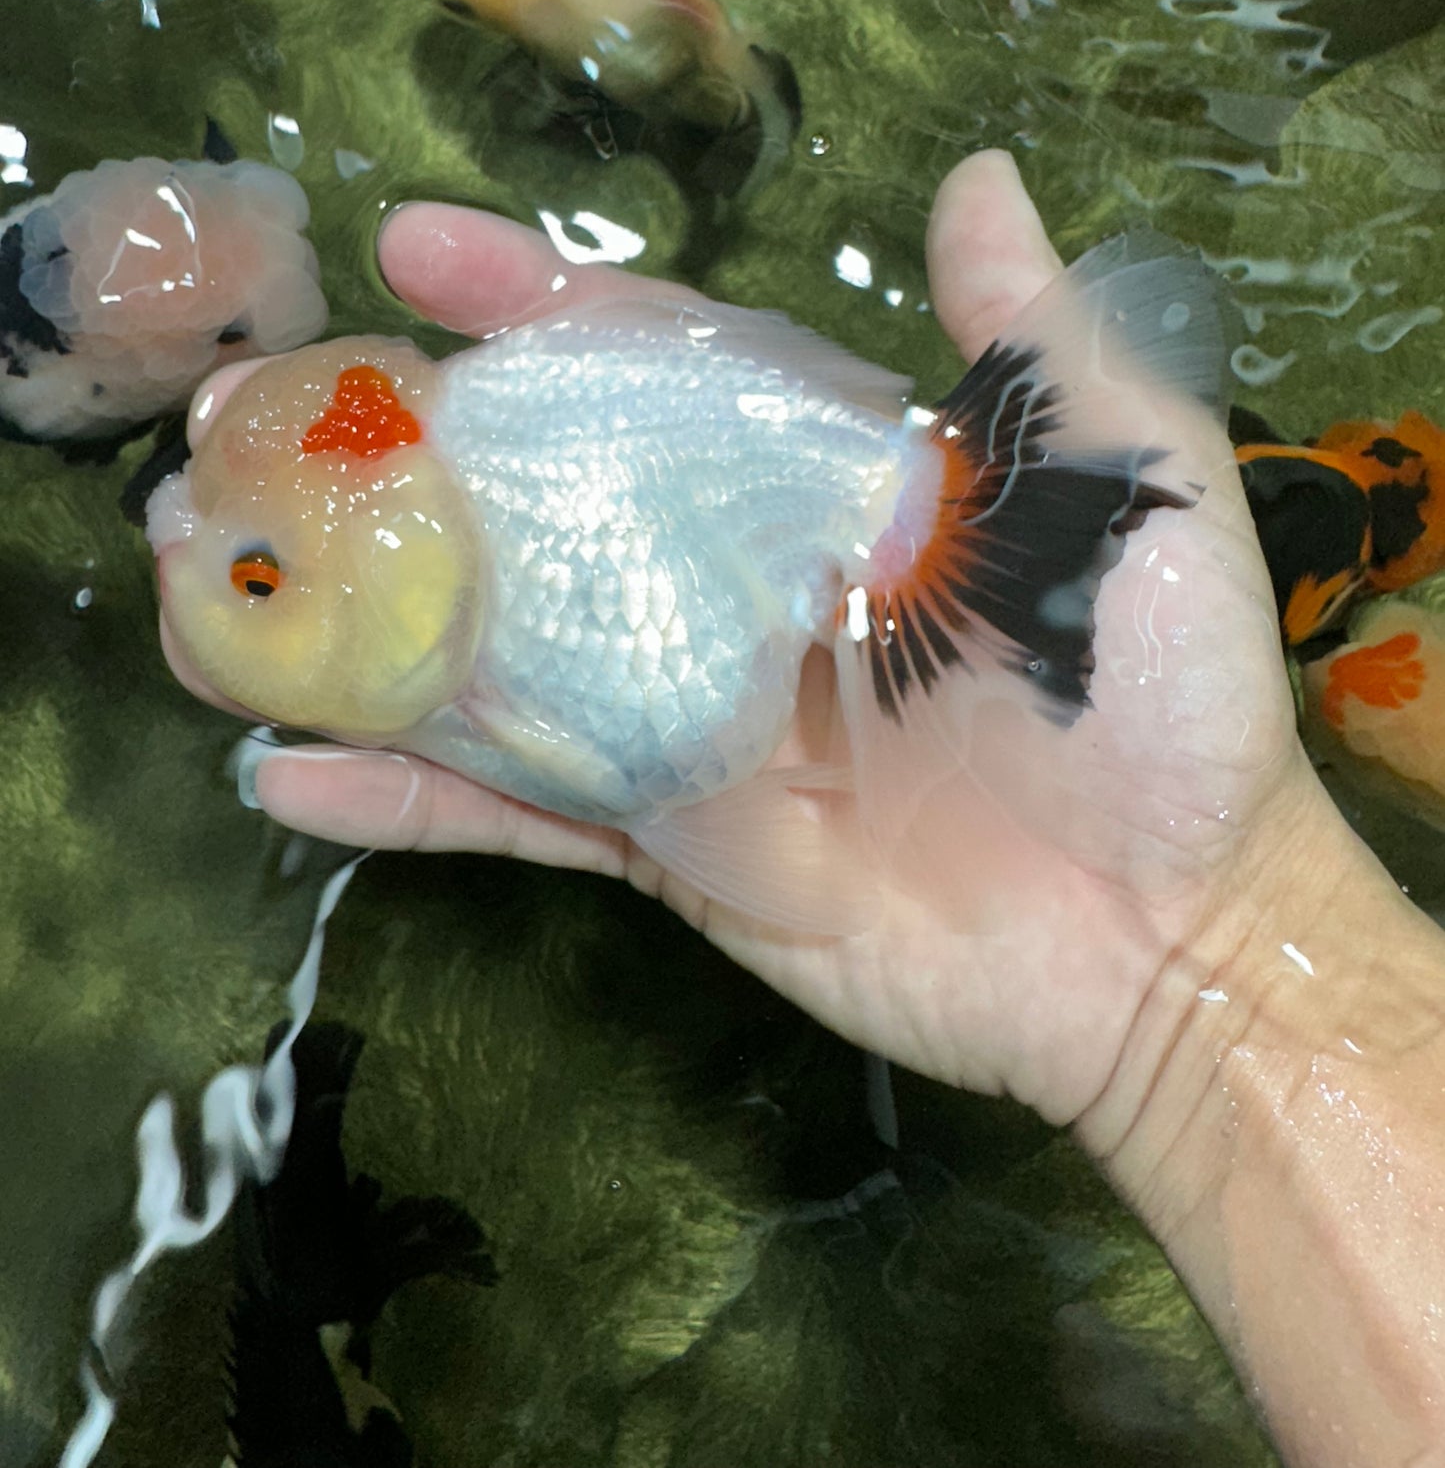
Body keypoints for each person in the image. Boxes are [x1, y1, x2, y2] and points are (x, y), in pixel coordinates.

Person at [161, 149, 1445, 1466]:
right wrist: (1213, 971)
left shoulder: (493, 531)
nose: (197, 566)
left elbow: (647, 782)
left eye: (258, 576)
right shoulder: (455, 531)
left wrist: (1209, 939)